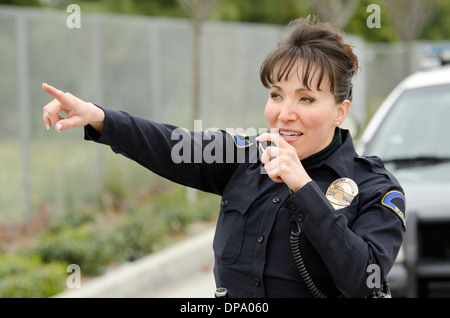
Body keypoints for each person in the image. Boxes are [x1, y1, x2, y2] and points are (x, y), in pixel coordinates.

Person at [42, 17, 406, 298]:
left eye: (306, 98)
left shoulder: (374, 187)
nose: (284, 113)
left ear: (340, 112)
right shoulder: (244, 156)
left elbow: (365, 281)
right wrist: (100, 117)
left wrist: (304, 187)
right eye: (277, 95)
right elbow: (171, 144)